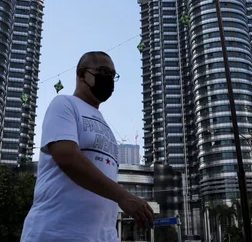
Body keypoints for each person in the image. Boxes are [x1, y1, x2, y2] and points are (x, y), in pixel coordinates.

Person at [21, 51, 154, 241]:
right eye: (103, 71)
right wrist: (124, 197)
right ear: (82, 74)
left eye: (112, 75)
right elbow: (67, 158)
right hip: (54, 234)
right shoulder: (64, 104)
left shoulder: (106, 125)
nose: (108, 79)